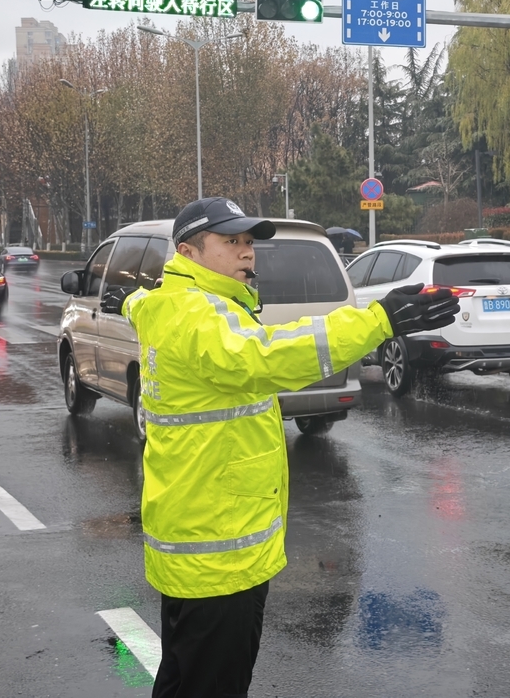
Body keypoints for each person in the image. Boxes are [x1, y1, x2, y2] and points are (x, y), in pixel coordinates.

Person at [99, 196, 458, 697]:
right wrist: (378, 320)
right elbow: (266, 356)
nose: (248, 252)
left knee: (186, 677)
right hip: (218, 550)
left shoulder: (176, 302)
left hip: (201, 534)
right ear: (188, 251)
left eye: (249, 241)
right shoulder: (195, 312)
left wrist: (130, 299)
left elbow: (144, 304)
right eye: (231, 241)